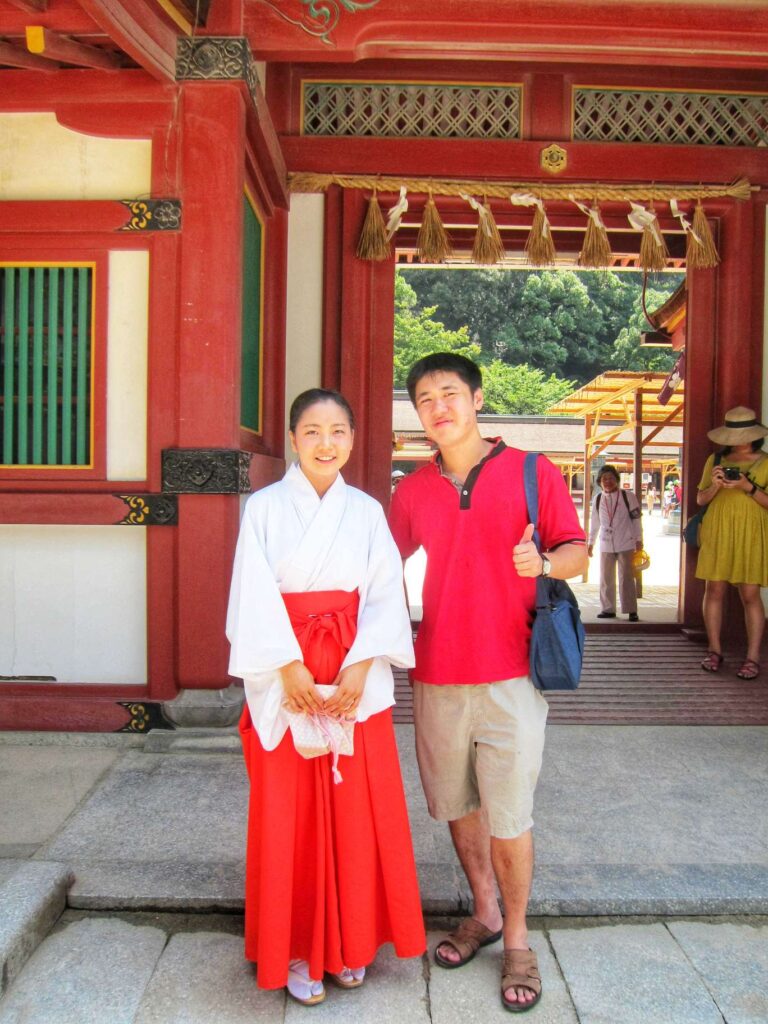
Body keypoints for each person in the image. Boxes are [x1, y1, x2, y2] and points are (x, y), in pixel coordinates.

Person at [388, 353, 587, 1014]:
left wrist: (547, 560)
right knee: (459, 804)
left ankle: (519, 938)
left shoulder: (533, 471)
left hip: (509, 676)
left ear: (476, 398)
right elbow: (378, 569)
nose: (438, 407)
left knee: (510, 814)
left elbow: (578, 551)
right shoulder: (412, 491)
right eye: (424, 399)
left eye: (450, 393)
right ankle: (484, 911)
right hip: (437, 672)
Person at [227, 388, 425, 1005]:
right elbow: (250, 595)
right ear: (292, 439)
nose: (325, 443)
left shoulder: (366, 512)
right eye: (312, 431)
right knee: (290, 813)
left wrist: (362, 668)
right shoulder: (262, 508)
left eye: (338, 431)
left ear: (353, 439)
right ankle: (297, 949)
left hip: (350, 674)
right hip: (284, 669)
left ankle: (350, 943)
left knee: (354, 810)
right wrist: (286, 669)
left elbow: (387, 595)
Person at [695, 406, 768, 680]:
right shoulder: (715, 459)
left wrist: (747, 487)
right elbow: (701, 500)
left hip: (752, 532)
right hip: (718, 528)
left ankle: (753, 657)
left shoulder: (766, 461)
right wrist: (715, 485)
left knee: (750, 594)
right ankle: (714, 650)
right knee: (713, 589)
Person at [587, 465, 643, 622]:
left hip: (626, 542)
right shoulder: (598, 499)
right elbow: (595, 523)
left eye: (611, 478)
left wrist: (639, 539)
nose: (608, 481)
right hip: (606, 543)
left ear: (617, 480)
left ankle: (631, 609)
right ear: (599, 482)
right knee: (606, 577)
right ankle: (608, 609)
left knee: (627, 577)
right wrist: (590, 542)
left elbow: (636, 519)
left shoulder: (628, 496)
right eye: (604, 479)